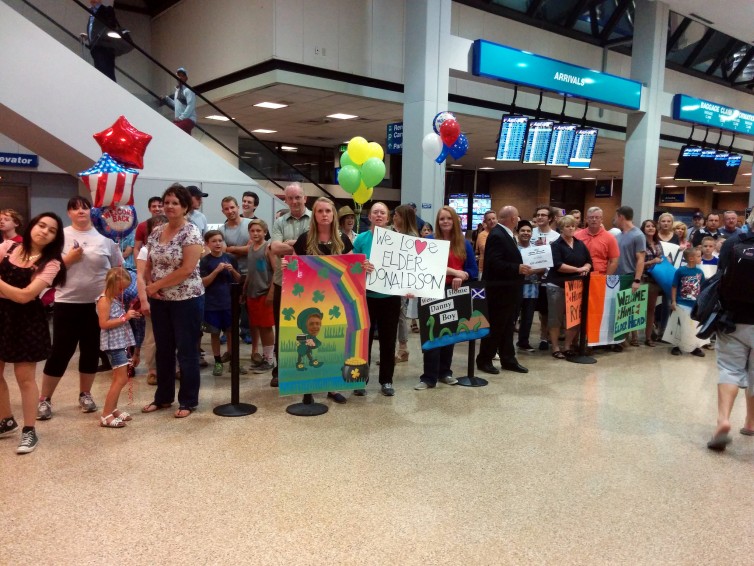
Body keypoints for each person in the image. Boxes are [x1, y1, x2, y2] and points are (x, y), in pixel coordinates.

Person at [37, 196, 122, 421]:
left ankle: (85, 394)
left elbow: (118, 270)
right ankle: (44, 398)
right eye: (75, 208)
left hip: (96, 305)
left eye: (85, 207)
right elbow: (45, 269)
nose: (81, 211)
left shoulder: (105, 240)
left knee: (90, 351)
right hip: (67, 303)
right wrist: (69, 260)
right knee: (60, 353)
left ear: (91, 211)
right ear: (69, 213)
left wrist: (113, 295)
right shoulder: (60, 237)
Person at [0, 213, 65, 454]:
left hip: (26, 320)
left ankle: (30, 431)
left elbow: (25, 295)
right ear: (31, 226)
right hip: (2, 316)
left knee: (24, 378)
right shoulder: (8, 247)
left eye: (51, 230)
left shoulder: (52, 263)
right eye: (41, 225)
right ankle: (5, 420)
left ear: (55, 238)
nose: (44, 231)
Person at [142, 184, 205, 419]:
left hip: (186, 299)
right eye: (166, 202)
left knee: (186, 351)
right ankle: (163, 397)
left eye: (174, 203)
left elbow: (187, 269)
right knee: (164, 350)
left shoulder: (191, 232)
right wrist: (151, 286)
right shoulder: (157, 231)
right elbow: (149, 263)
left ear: (185, 207)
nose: (169, 206)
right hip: (160, 300)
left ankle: (188, 400)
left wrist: (155, 286)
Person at [291, 197, 353, 403]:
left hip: (336, 301)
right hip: (309, 301)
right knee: (310, 342)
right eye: (320, 211)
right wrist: (287, 267)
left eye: (328, 211)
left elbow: (352, 268)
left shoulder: (343, 240)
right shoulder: (304, 240)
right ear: (314, 215)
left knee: (333, 344)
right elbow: (295, 269)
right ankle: (308, 387)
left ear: (333, 214)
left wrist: (364, 267)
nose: (324, 214)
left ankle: (332, 387)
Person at [416, 206, 478, 390]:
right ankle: (428, 377)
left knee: (449, 333)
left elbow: (472, 270)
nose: (445, 221)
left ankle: (445, 372)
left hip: (454, 292)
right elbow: (426, 266)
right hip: (432, 292)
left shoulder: (464, 243)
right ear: (437, 221)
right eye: (442, 218)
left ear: (455, 221)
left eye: (448, 218)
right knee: (432, 334)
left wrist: (462, 275)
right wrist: (455, 272)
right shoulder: (429, 241)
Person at [707, 211, 754, 451]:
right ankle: (750, 422)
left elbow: (720, 279)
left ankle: (723, 420)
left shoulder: (733, 244)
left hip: (733, 320)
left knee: (730, 370)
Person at [353, 202, 402, 396]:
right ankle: (359, 380)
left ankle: (386, 381)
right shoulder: (361, 239)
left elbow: (404, 267)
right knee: (363, 341)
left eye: (383, 212)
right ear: (370, 216)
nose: (379, 215)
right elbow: (351, 266)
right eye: (375, 212)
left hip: (390, 297)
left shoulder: (397, 239)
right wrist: (361, 265)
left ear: (388, 217)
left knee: (388, 341)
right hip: (366, 297)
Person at [477, 205, 531, 375]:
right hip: (499, 292)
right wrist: (517, 268)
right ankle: (484, 359)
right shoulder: (498, 235)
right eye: (517, 217)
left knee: (508, 327)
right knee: (496, 326)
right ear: (513, 219)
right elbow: (494, 263)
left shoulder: (506, 234)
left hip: (510, 290)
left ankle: (508, 358)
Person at [269, 183, 311, 387]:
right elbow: (275, 248)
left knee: (308, 327)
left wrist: (290, 244)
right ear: (285, 200)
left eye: (298, 197)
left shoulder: (316, 219)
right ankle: (280, 369)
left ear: (305, 198)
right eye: (290, 198)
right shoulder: (279, 222)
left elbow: (313, 248)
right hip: (282, 281)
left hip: (310, 284)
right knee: (282, 326)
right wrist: (298, 244)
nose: (294, 202)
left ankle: (305, 366)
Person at [96, 267, 140, 428]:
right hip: (113, 344)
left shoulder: (114, 299)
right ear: (111, 284)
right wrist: (125, 318)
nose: (122, 292)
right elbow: (104, 323)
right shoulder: (104, 300)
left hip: (121, 342)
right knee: (120, 379)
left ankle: (113, 408)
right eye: (120, 288)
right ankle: (106, 414)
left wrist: (130, 315)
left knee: (119, 378)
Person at [546, 215, 592, 359]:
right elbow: (558, 265)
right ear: (561, 228)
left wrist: (585, 267)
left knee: (573, 319)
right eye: (567, 226)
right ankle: (555, 347)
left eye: (573, 226)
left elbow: (589, 261)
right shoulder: (556, 245)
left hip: (575, 287)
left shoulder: (580, 244)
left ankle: (567, 346)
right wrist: (578, 270)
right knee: (556, 318)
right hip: (557, 286)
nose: (571, 228)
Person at [200, 230, 242, 376]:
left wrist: (233, 271)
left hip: (230, 303)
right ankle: (218, 362)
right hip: (212, 304)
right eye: (214, 241)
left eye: (220, 240)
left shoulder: (230, 258)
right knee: (214, 334)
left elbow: (239, 280)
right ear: (207, 244)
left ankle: (233, 361)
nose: (218, 243)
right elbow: (203, 283)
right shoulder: (205, 261)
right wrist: (216, 271)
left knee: (231, 333)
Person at [135, 214, 166, 386]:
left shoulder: (173, 246)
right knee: (152, 335)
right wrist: (144, 300)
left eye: (163, 225)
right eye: (156, 225)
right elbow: (140, 276)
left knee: (174, 335)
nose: (159, 228)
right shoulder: (145, 250)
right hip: (153, 297)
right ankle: (153, 369)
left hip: (173, 298)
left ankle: (173, 366)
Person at [243, 219, 275, 373]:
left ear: (264, 232)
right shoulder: (250, 248)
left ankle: (269, 360)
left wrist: (271, 293)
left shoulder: (268, 248)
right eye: (252, 230)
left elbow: (276, 272)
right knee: (258, 326)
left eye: (258, 231)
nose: (255, 233)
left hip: (264, 293)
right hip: (252, 293)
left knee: (266, 327)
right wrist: (244, 289)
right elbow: (250, 271)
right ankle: (264, 357)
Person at [218, 196, 252, 345]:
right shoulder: (221, 230)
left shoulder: (251, 224)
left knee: (246, 305)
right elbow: (223, 252)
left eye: (232, 207)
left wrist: (232, 249)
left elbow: (252, 248)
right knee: (229, 304)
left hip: (249, 271)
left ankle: (245, 331)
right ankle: (228, 331)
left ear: (238, 207)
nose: (230, 211)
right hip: (229, 272)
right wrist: (243, 249)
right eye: (226, 208)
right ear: (223, 211)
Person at [612, 205, 646, 352]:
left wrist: (637, 280)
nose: (614, 220)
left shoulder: (638, 235)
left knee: (625, 310)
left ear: (621, 216)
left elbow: (641, 259)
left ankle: (621, 340)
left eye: (615, 217)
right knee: (616, 310)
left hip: (628, 275)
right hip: (616, 277)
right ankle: (616, 339)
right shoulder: (618, 235)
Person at [391, 204, 419, 364]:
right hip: (394, 280)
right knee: (398, 315)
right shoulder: (397, 233)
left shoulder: (411, 237)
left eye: (397, 215)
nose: (394, 217)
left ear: (404, 218)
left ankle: (402, 348)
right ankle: (401, 348)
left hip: (402, 282)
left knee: (400, 315)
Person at [670, 247, 705, 357]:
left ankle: (695, 347)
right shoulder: (680, 271)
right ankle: (676, 346)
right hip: (681, 303)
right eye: (698, 256)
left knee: (694, 326)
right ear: (691, 258)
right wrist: (674, 301)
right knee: (679, 325)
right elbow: (674, 286)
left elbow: (703, 288)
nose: (701, 258)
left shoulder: (700, 272)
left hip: (695, 304)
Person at [515, 220, 544, 353]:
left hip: (532, 289)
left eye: (528, 231)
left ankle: (523, 341)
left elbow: (544, 267)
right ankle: (504, 344)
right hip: (516, 289)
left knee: (527, 318)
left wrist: (533, 271)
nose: (526, 233)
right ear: (518, 232)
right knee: (512, 319)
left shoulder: (536, 248)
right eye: (523, 231)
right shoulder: (514, 248)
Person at [83, 0, 127, 82]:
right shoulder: (91, 12)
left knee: (107, 73)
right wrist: (89, 37)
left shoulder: (107, 9)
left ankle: (111, 92)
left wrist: (98, 36)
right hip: (95, 48)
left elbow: (110, 26)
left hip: (105, 48)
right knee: (100, 73)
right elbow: (93, 28)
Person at [575, 207, 619, 275]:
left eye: (597, 217)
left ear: (601, 220)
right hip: (578, 275)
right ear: (586, 219)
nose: (594, 220)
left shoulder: (610, 238)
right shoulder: (577, 236)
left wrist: (606, 278)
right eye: (591, 217)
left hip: (599, 276)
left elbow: (614, 261)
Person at [640, 220, 664, 347]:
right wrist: (652, 262)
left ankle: (648, 337)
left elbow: (661, 259)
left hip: (656, 280)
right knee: (638, 309)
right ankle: (633, 337)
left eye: (653, 226)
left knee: (651, 310)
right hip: (643, 279)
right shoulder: (640, 243)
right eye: (648, 226)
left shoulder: (658, 243)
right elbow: (637, 265)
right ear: (643, 229)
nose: (650, 228)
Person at [163, 67, 196, 135]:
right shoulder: (177, 91)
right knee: (185, 138)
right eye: (179, 76)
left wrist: (181, 118)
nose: (180, 77)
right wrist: (166, 99)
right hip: (181, 120)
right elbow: (176, 105)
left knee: (173, 131)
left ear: (186, 78)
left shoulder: (188, 90)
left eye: (182, 76)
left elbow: (191, 105)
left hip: (188, 119)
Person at [476, 210, 497, 276]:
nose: (492, 221)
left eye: (493, 218)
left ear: (497, 219)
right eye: (489, 220)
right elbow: (486, 250)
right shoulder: (482, 235)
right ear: (485, 222)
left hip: (497, 269)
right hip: (485, 270)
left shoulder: (499, 233)